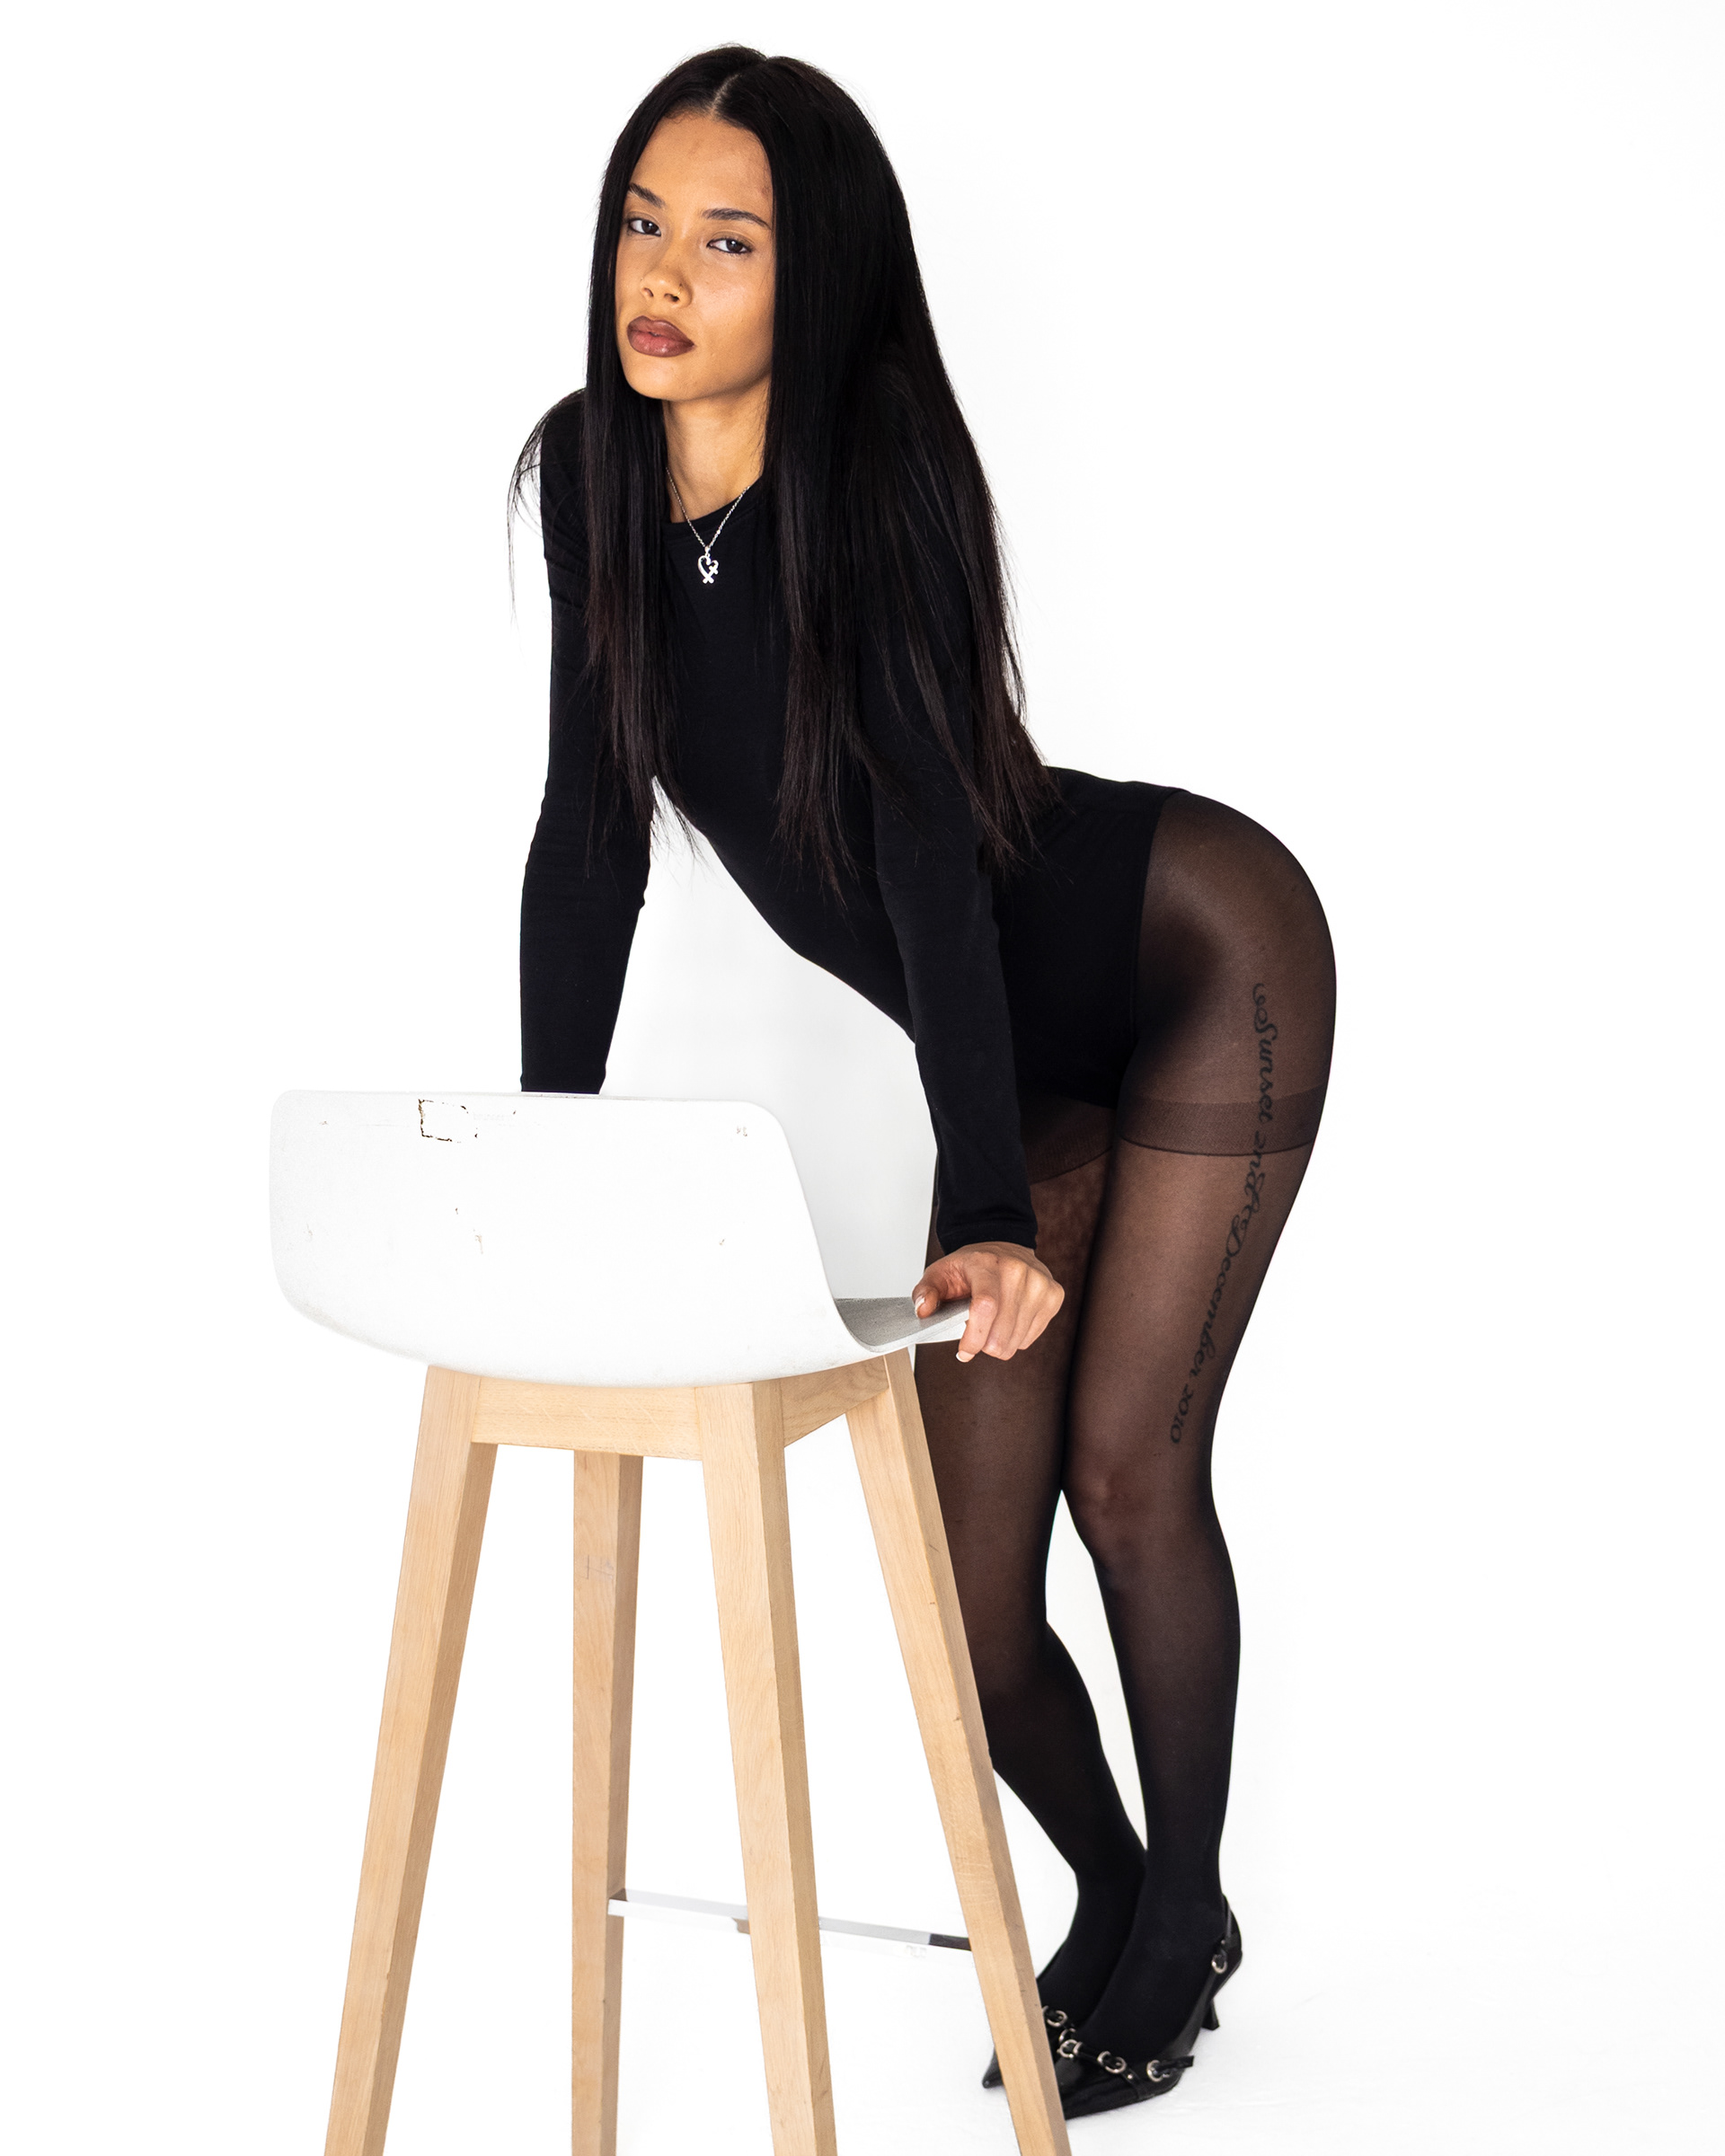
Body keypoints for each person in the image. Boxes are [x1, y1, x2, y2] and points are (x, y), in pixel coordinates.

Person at [515, 45, 1335, 2120]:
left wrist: (982, 1202)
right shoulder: (596, 473)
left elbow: (920, 869)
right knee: (973, 1610)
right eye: (644, 223)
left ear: (820, 278)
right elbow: (591, 837)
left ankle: (1174, 1931)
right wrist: (541, 1154)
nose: (664, 275)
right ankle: (1130, 1887)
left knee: (1126, 1473)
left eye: (728, 241)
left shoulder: (866, 491)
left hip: (1191, 960)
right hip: (1016, 1055)